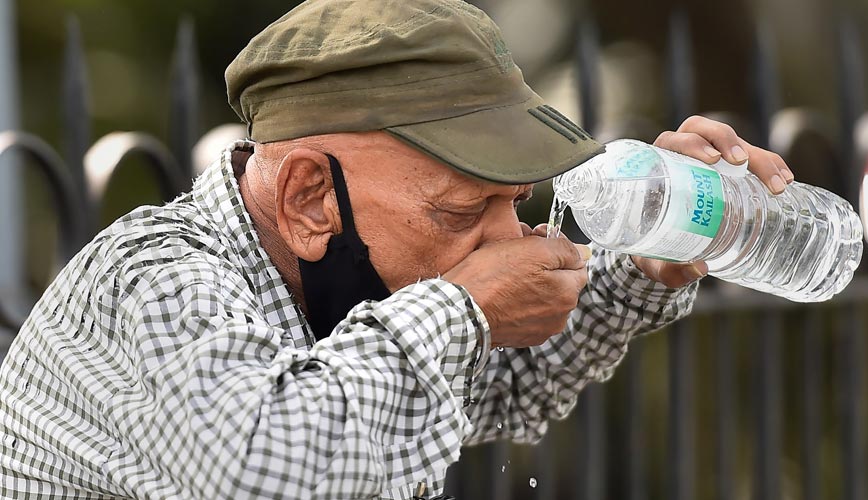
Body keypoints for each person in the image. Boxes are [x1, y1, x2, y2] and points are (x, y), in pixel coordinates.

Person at [0, 0, 795, 498]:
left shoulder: (338, 277)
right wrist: (467, 305)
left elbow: (500, 384)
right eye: (458, 210)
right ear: (310, 196)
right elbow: (262, 477)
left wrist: (652, 259)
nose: (502, 242)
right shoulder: (161, 279)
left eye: (512, 204)